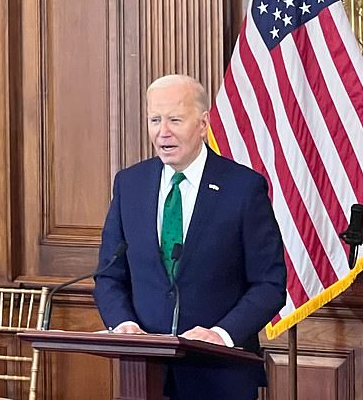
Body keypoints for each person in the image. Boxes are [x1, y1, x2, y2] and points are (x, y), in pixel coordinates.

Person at [93, 74, 287, 400]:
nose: (162, 131)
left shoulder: (243, 188)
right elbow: (109, 274)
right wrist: (122, 323)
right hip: (145, 375)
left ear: (202, 124)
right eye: (155, 119)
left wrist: (221, 334)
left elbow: (269, 284)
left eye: (175, 120)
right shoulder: (130, 185)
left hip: (220, 375)